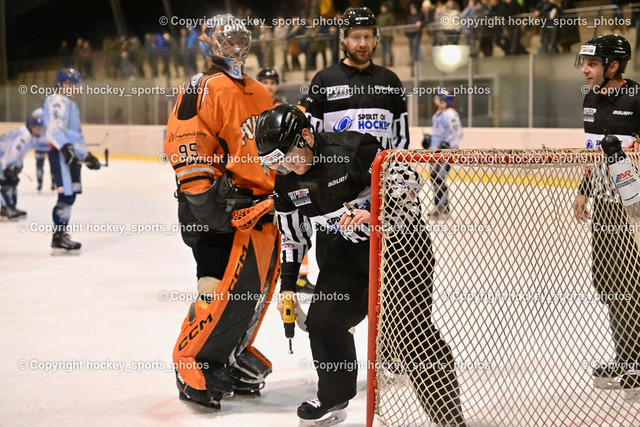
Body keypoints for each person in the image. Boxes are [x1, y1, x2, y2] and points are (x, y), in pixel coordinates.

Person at [255, 103, 467, 425]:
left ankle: (447, 416)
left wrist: (376, 212)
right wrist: (287, 287)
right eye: (276, 163)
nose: (285, 167)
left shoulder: (353, 149)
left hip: (399, 246)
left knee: (409, 333)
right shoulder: (286, 183)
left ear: (306, 136)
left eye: (288, 156)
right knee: (324, 321)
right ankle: (334, 396)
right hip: (347, 253)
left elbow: (408, 180)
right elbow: (292, 237)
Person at [164, 13, 279, 411]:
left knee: (251, 292)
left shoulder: (260, 91)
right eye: (225, 39)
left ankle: (228, 353)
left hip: (258, 208)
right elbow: (185, 142)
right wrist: (205, 202)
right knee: (213, 287)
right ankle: (191, 360)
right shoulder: (201, 86)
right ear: (209, 43)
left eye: (239, 38)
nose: (234, 46)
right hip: (217, 206)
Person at [573, 34, 640, 400]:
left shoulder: (637, 96)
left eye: (593, 64)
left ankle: (636, 362)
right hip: (604, 203)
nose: (586, 70)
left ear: (614, 66)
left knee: (630, 282)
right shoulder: (591, 98)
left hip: (633, 209)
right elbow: (592, 151)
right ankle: (627, 357)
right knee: (608, 281)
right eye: (585, 63)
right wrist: (584, 190)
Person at [307, 7, 409, 151]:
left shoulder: (390, 81)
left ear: (375, 38)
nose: (362, 44)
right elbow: (311, 138)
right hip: (337, 166)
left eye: (367, 36)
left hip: (383, 166)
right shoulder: (323, 80)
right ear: (343, 39)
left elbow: (401, 138)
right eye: (356, 37)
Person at [256, 67, 317, 294]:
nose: (269, 86)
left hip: (290, 180)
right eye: (265, 82)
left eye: (273, 82)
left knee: (295, 228)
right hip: (269, 185)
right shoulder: (255, 110)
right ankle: (268, 275)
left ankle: (298, 276)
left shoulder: (283, 112)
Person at [43, 68, 101, 252]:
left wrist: (86, 156)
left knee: (71, 196)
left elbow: (75, 137)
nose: (76, 88)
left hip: (71, 157)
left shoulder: (70, 105)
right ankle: (58, 237)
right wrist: (65, 147)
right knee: (65, 196)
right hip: (61, 155)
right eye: (74, 85)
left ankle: (61, 235)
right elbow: (53, 128)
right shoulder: (56, 100)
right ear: (63, 84)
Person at [422, 91, 463, 217]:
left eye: (439, 99)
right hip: (435, 153)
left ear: (445, 101)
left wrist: (447, 143)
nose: (436, 100)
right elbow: (438, 133)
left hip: (445, 153)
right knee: (434, 178)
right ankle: (439, 205)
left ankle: (442, 206)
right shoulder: (437, 115)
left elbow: (457, 133)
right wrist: (429, 141)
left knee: (440, 179)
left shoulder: (451, 114)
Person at [0, 109, 44, 220]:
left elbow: (20, 154)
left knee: (12, 181)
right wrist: (8, 167)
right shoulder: (24, 135)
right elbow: (13, 151)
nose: (40, 130)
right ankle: (5, 209)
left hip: (4, 160)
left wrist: (18, 166)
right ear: (31, 126)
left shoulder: (30, 137)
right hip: (3, 160)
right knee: (7, 181)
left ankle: (11, 206)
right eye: (38, 127)